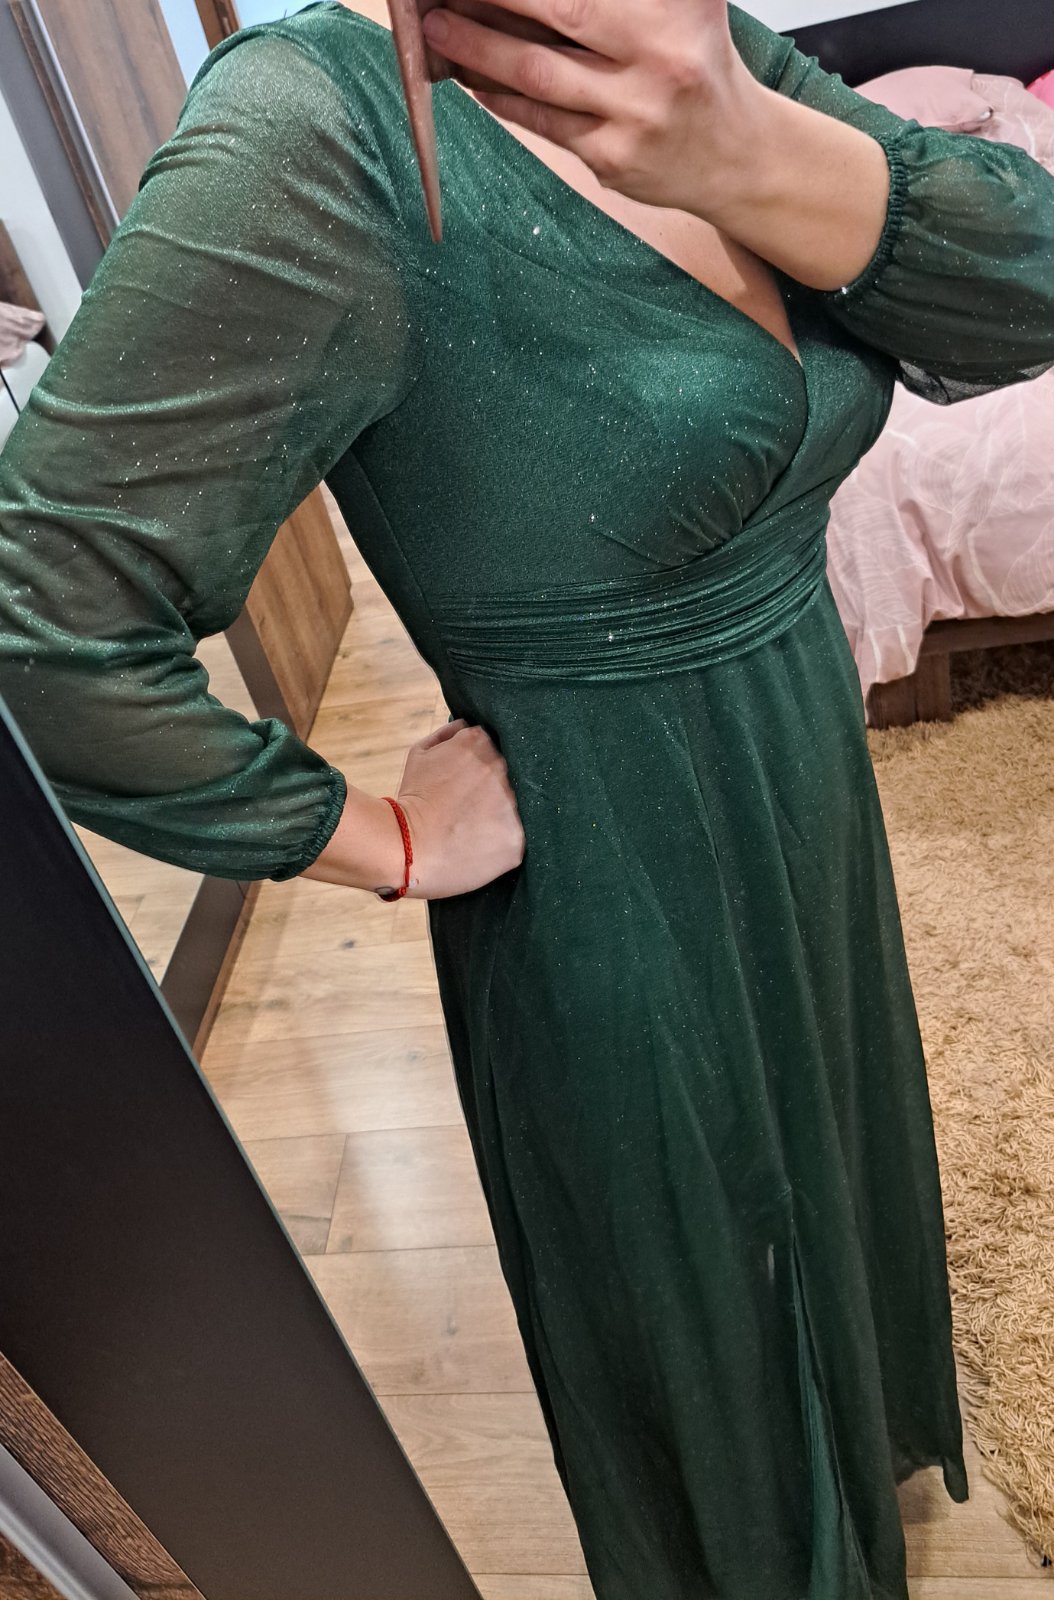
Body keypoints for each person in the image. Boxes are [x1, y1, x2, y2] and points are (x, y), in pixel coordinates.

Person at [1, 1, 1053, 1593]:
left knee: (830, 1161)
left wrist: (743, 143)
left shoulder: (686, 39)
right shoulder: (313, 131)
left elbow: (1021, 284)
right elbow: (44, 636)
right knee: (697, 1312)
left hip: (801, 787)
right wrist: (381, 839)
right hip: (599, 879)